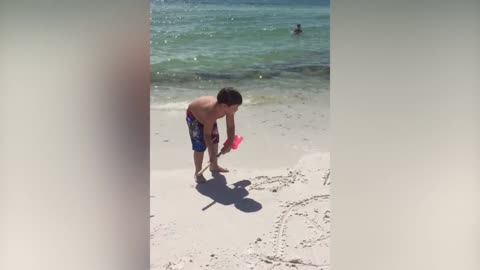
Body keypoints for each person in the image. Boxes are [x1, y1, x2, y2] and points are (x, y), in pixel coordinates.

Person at [186, 87, 242, 183]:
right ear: (224, 106)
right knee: (200, 145)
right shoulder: (211, 113)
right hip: (194, 116)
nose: (237, 109)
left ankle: (214, 166)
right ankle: (198, 172)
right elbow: (207, 135)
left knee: (215, 139)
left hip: (207, 119)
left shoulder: (228, 109)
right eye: (235, 107)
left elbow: (230, 126)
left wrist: (230, 143)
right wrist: (212, 155)